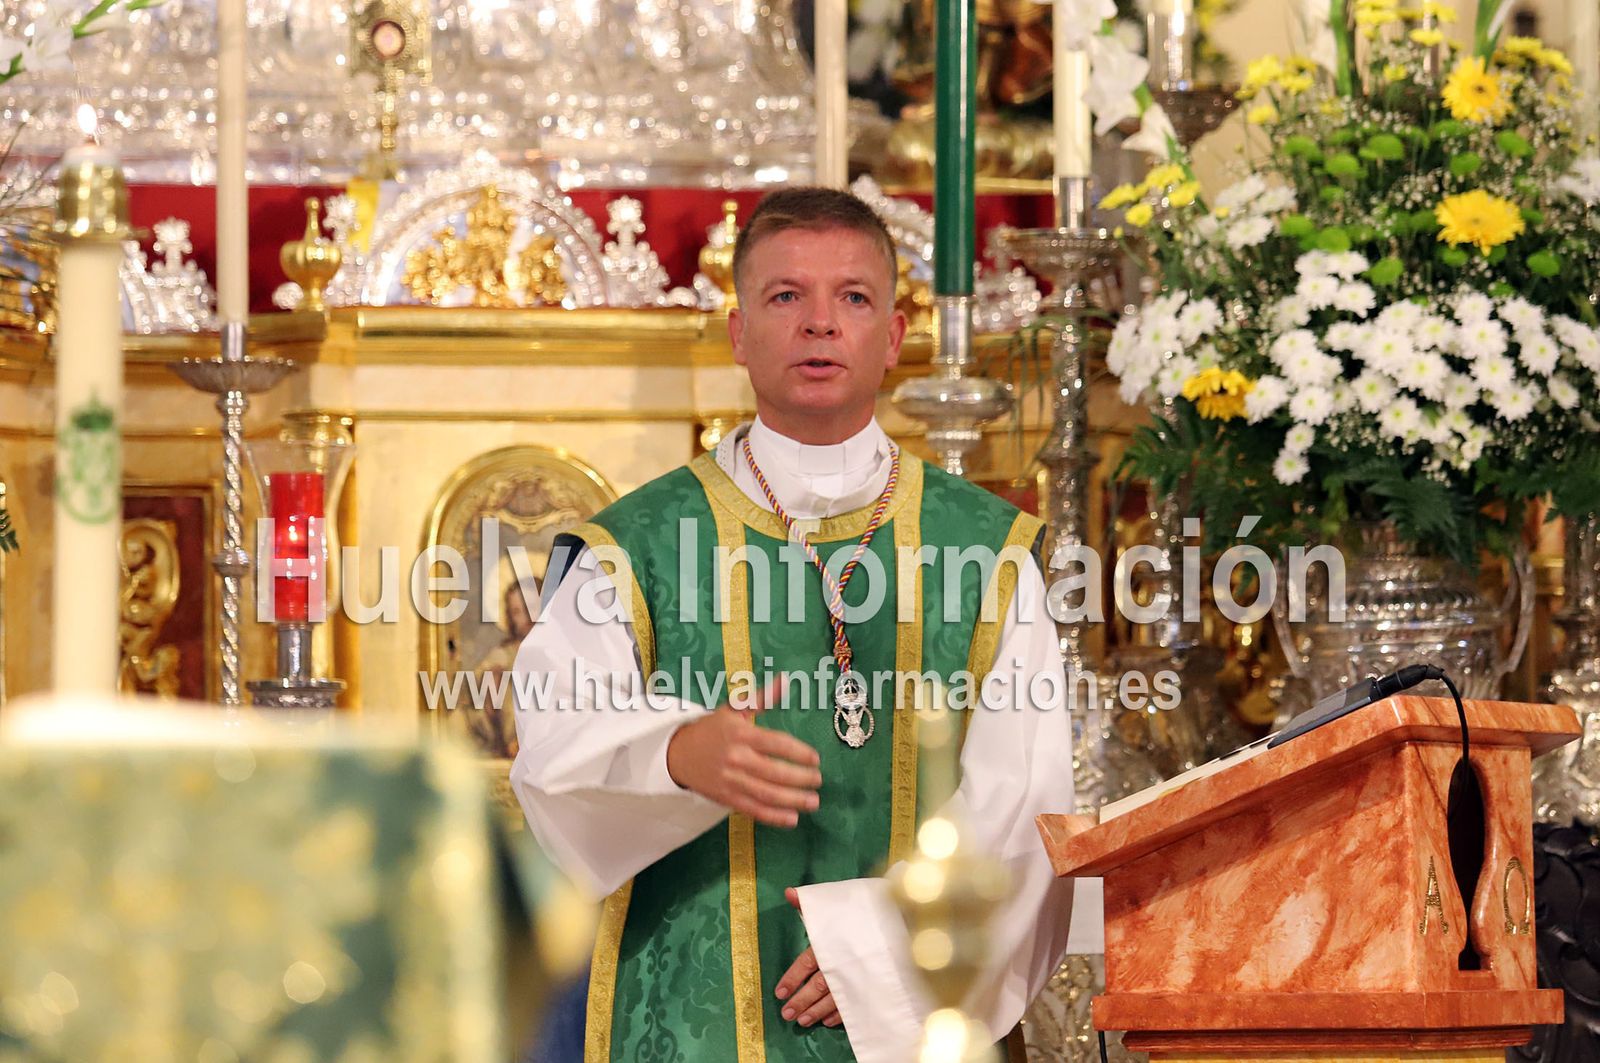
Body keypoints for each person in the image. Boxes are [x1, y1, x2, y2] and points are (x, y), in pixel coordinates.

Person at [510, 187, 1089, 1062]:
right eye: (786, 296)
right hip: (687, 1013)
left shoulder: (988, 556)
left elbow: (1027, 804)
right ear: (739, 333)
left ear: (894, 338)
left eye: (853, 297)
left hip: (914, 1011)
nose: (820, 323)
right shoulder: (632, 549)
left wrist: (883, 946)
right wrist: (675, 751)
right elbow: (552, 743)